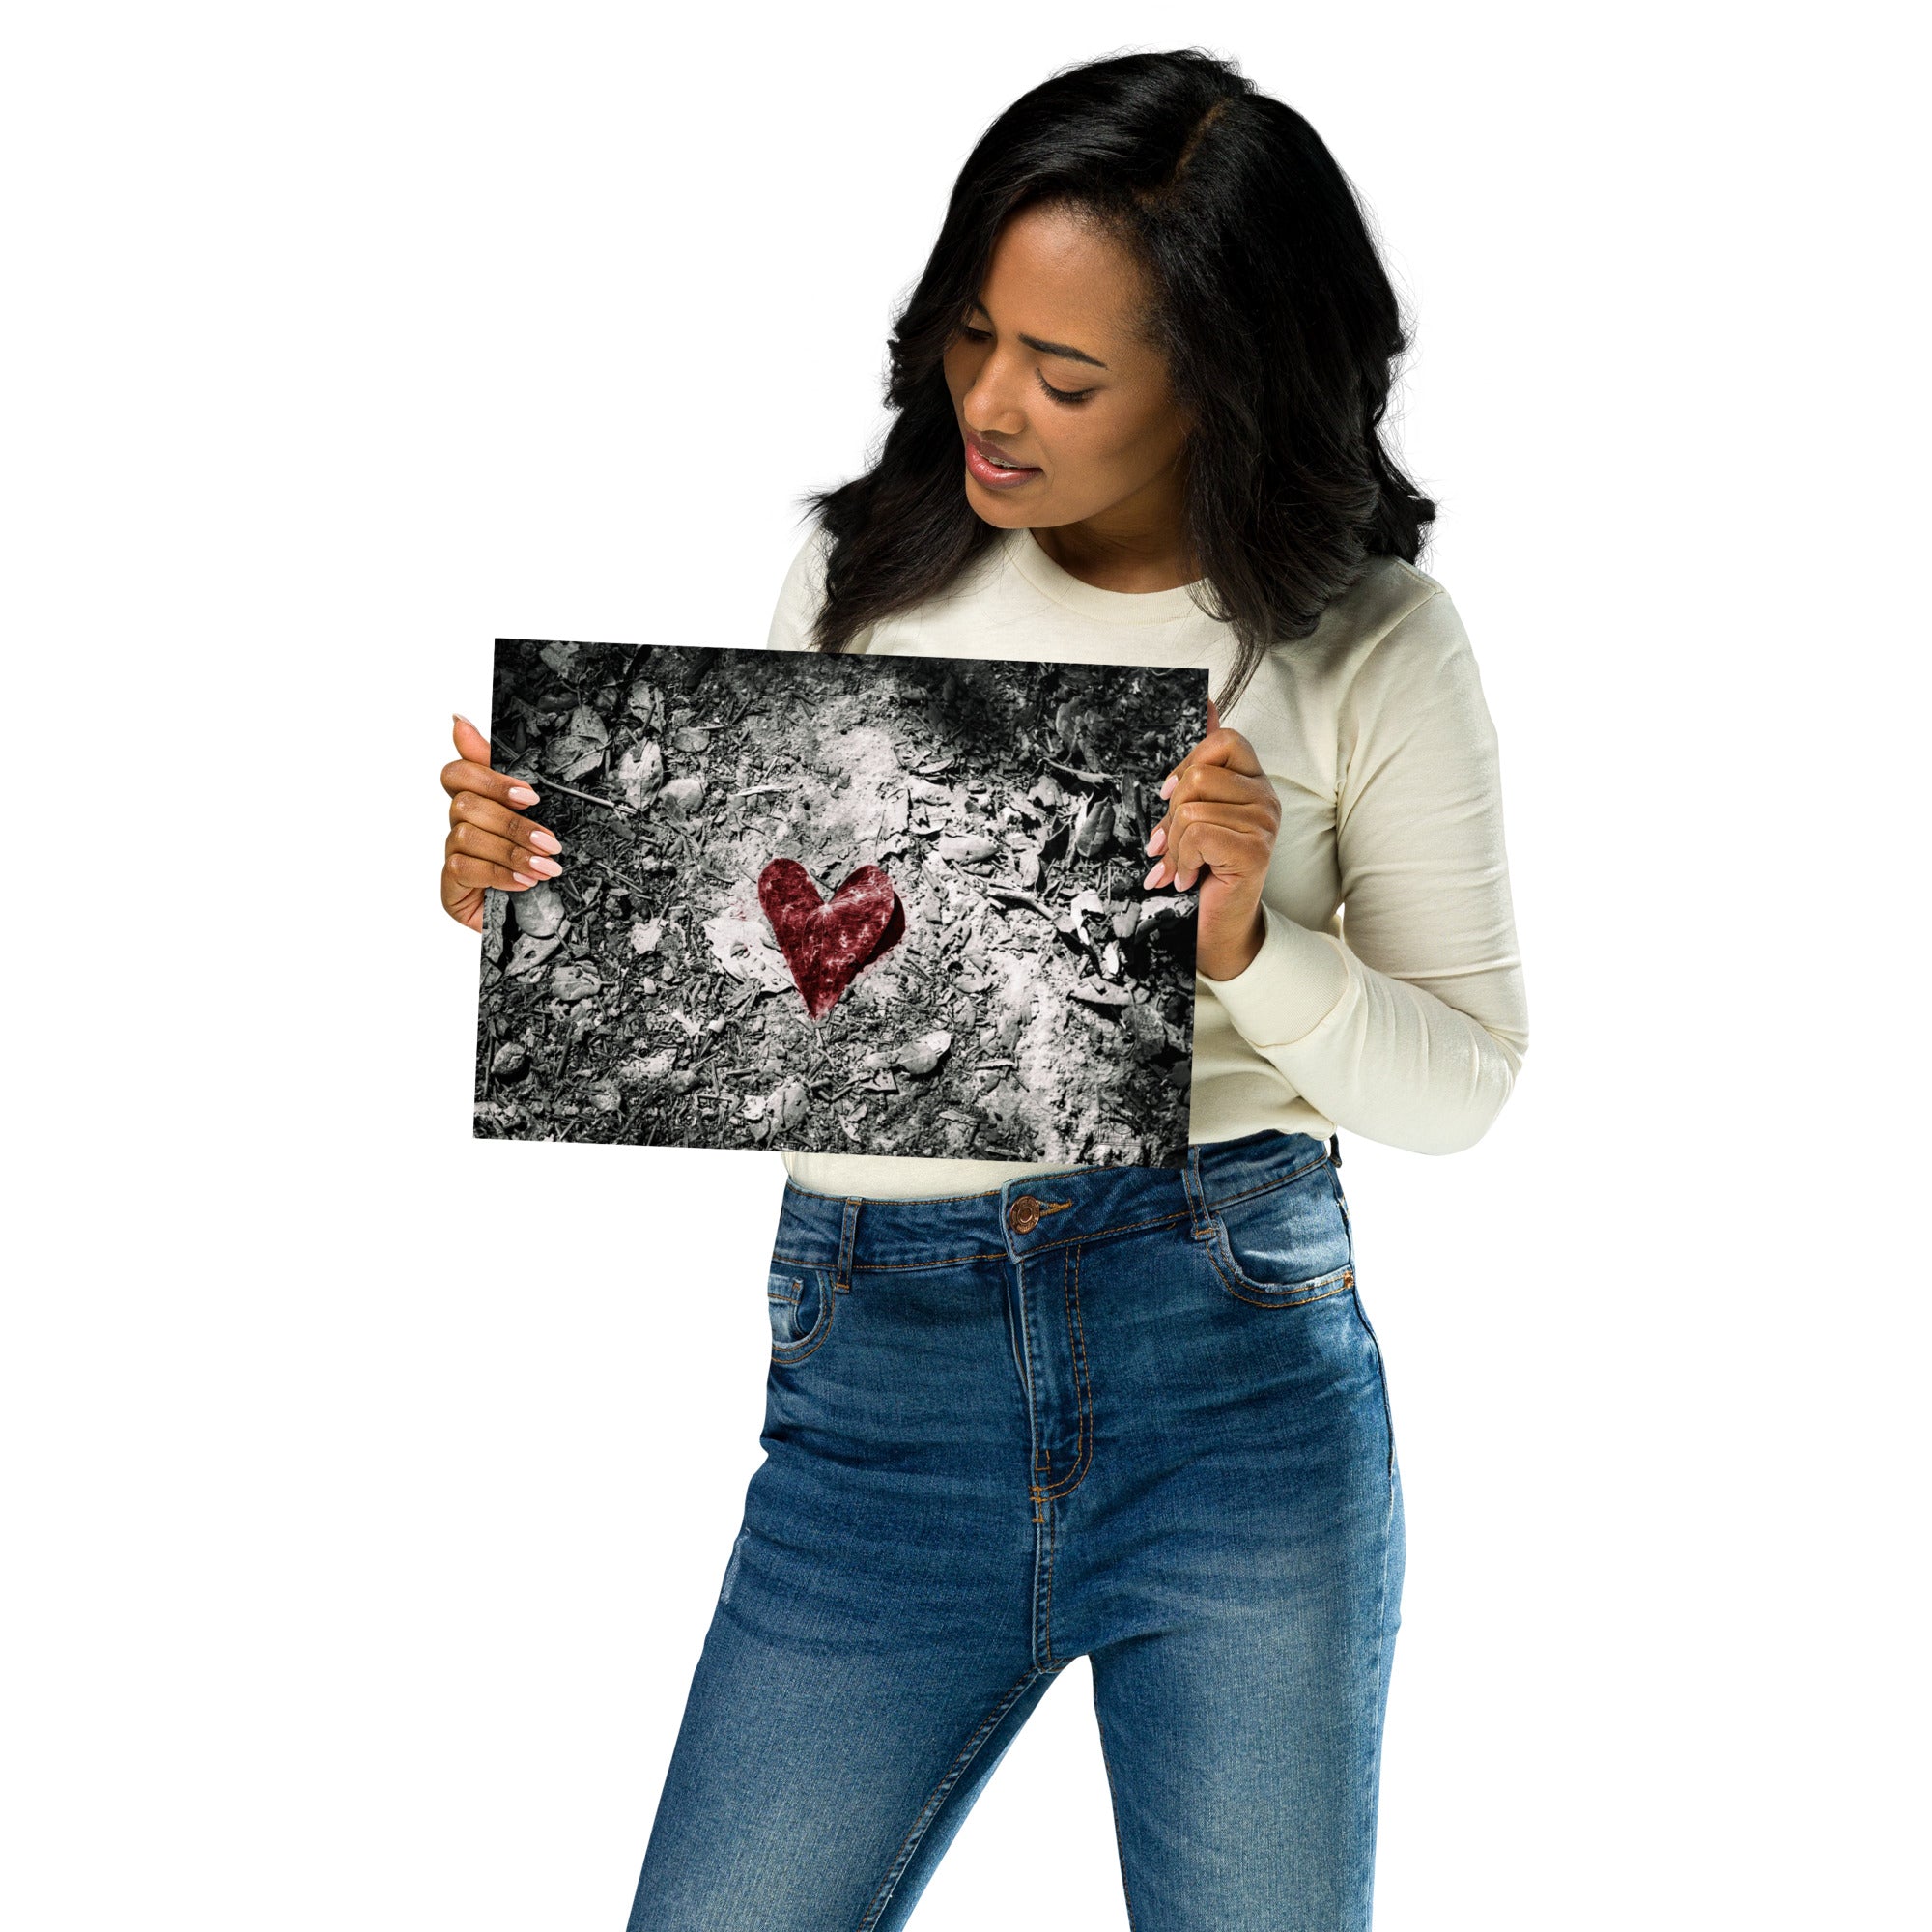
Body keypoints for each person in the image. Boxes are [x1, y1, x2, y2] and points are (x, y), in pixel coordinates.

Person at [440, 48, 1528, 1931]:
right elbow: (789, 993)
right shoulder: (864, 574)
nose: (990, 403)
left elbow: (1463, 1087)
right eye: (969, 335)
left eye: (1067, 371)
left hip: (1229, 1375)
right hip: (875, 1392)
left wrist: (1252, 943)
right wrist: (544, 900)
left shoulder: (1368, 642)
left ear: (1222, 385)